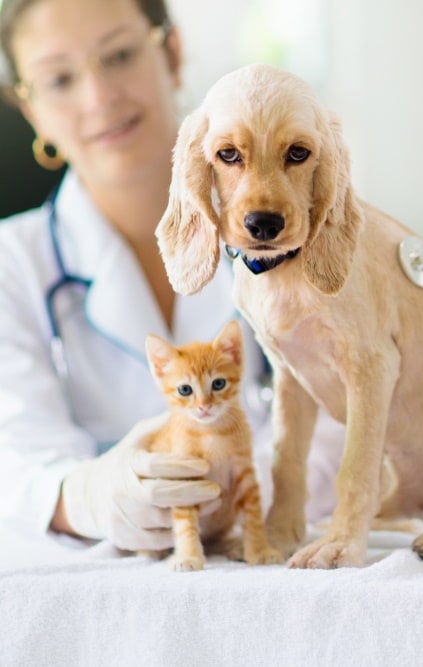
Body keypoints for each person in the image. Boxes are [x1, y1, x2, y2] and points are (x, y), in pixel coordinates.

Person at [0, 0, 341, 550]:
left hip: (279, 554)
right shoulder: (12, 265)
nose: (99, 97)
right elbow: (18, 466)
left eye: (119, 55)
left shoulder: (282, 223)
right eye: (59, 78)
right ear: (31, 110)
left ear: (173, 54)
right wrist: (90, 496)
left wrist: (249, 496)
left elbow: (342, 411)